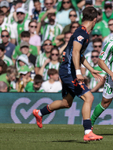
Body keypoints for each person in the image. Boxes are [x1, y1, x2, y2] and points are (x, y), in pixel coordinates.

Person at [32, 7, 103, 141]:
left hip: (66, 71)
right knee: (89, 98)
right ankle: (88, 131)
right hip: (69, 72)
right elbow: (75, 52)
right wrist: (78, 72)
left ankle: (39, 112)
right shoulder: (82, 33)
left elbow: (80, 55)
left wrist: (91, 69)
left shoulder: (83, 33)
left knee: (66, 103)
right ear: (95, 20)